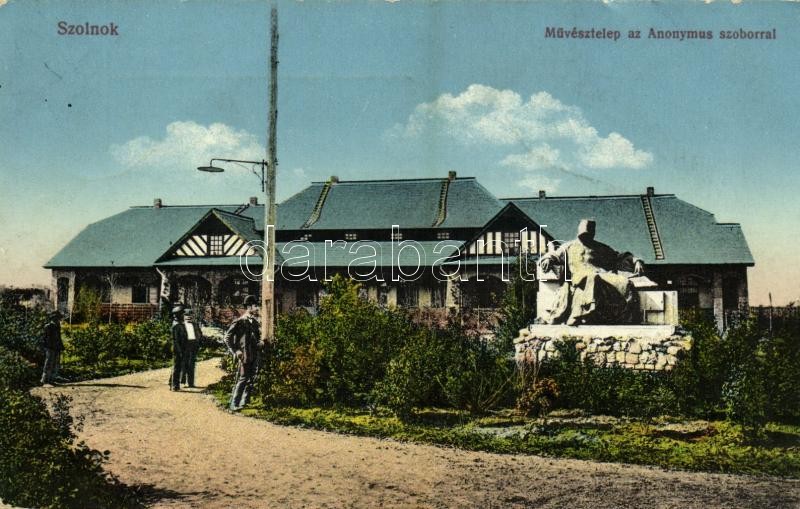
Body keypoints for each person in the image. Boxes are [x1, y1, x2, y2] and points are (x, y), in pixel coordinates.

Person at [539, 219, 644, 325]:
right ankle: (581, 314)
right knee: (593, 278)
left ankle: (625, 317)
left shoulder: (600, 247)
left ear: (593, 233)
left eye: (588, 234)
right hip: (579, 275)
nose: (585, 237)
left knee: (624, 282)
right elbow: (555, 254)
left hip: (601, 274)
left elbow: (618, 257)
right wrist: (548, 259)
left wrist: (635, 260)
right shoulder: (569, 246)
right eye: (583, 234)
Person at [224, 295, 261, 411]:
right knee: (243, 378)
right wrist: (236, 351)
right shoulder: (239, 322)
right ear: (249, 307)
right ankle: (234, 404)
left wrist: (259, 343)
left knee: (252, 378)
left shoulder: (254, 322)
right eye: (255, 306)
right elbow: (227, 338)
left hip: (254, 354)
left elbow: (256, 337)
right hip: (244, 355)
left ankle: (245, 401)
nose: (257, 308)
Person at [180, 307, 203, 388]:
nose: (189, 317)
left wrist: (198, 342)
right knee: (183, 364)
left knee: (191, 365)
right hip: (184, 346)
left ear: (193, 316)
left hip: (193, 346)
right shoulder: (181, 325)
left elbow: (200, 334)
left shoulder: (195, 325)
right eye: (186, 315)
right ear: (183, 316)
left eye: (190, 315)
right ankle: (181, 382)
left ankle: (191, 383)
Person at [40, 311, 64, 385]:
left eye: (58, 318)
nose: (58, 320)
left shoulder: (57, 326)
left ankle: (52, 378)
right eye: (57, 318)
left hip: (56, 347)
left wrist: (61, 346)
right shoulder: (48, 326)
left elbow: (59, 337)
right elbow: (45, 338)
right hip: (50, 347)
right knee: (49, 362)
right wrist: (46, 346)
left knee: (56, 363)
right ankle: (44, 379)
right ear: (53, 318)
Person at [170, 305, 188, 391]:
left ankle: (171, 382)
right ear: (178, 315)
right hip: (178, 348)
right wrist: (180, 351)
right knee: (177, 367)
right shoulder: (176, 325)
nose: (184, 316)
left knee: (178, 366)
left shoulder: (180, 324)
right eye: (182, 314)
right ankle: (174, 385)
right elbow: (175, 340)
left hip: (181, 347)